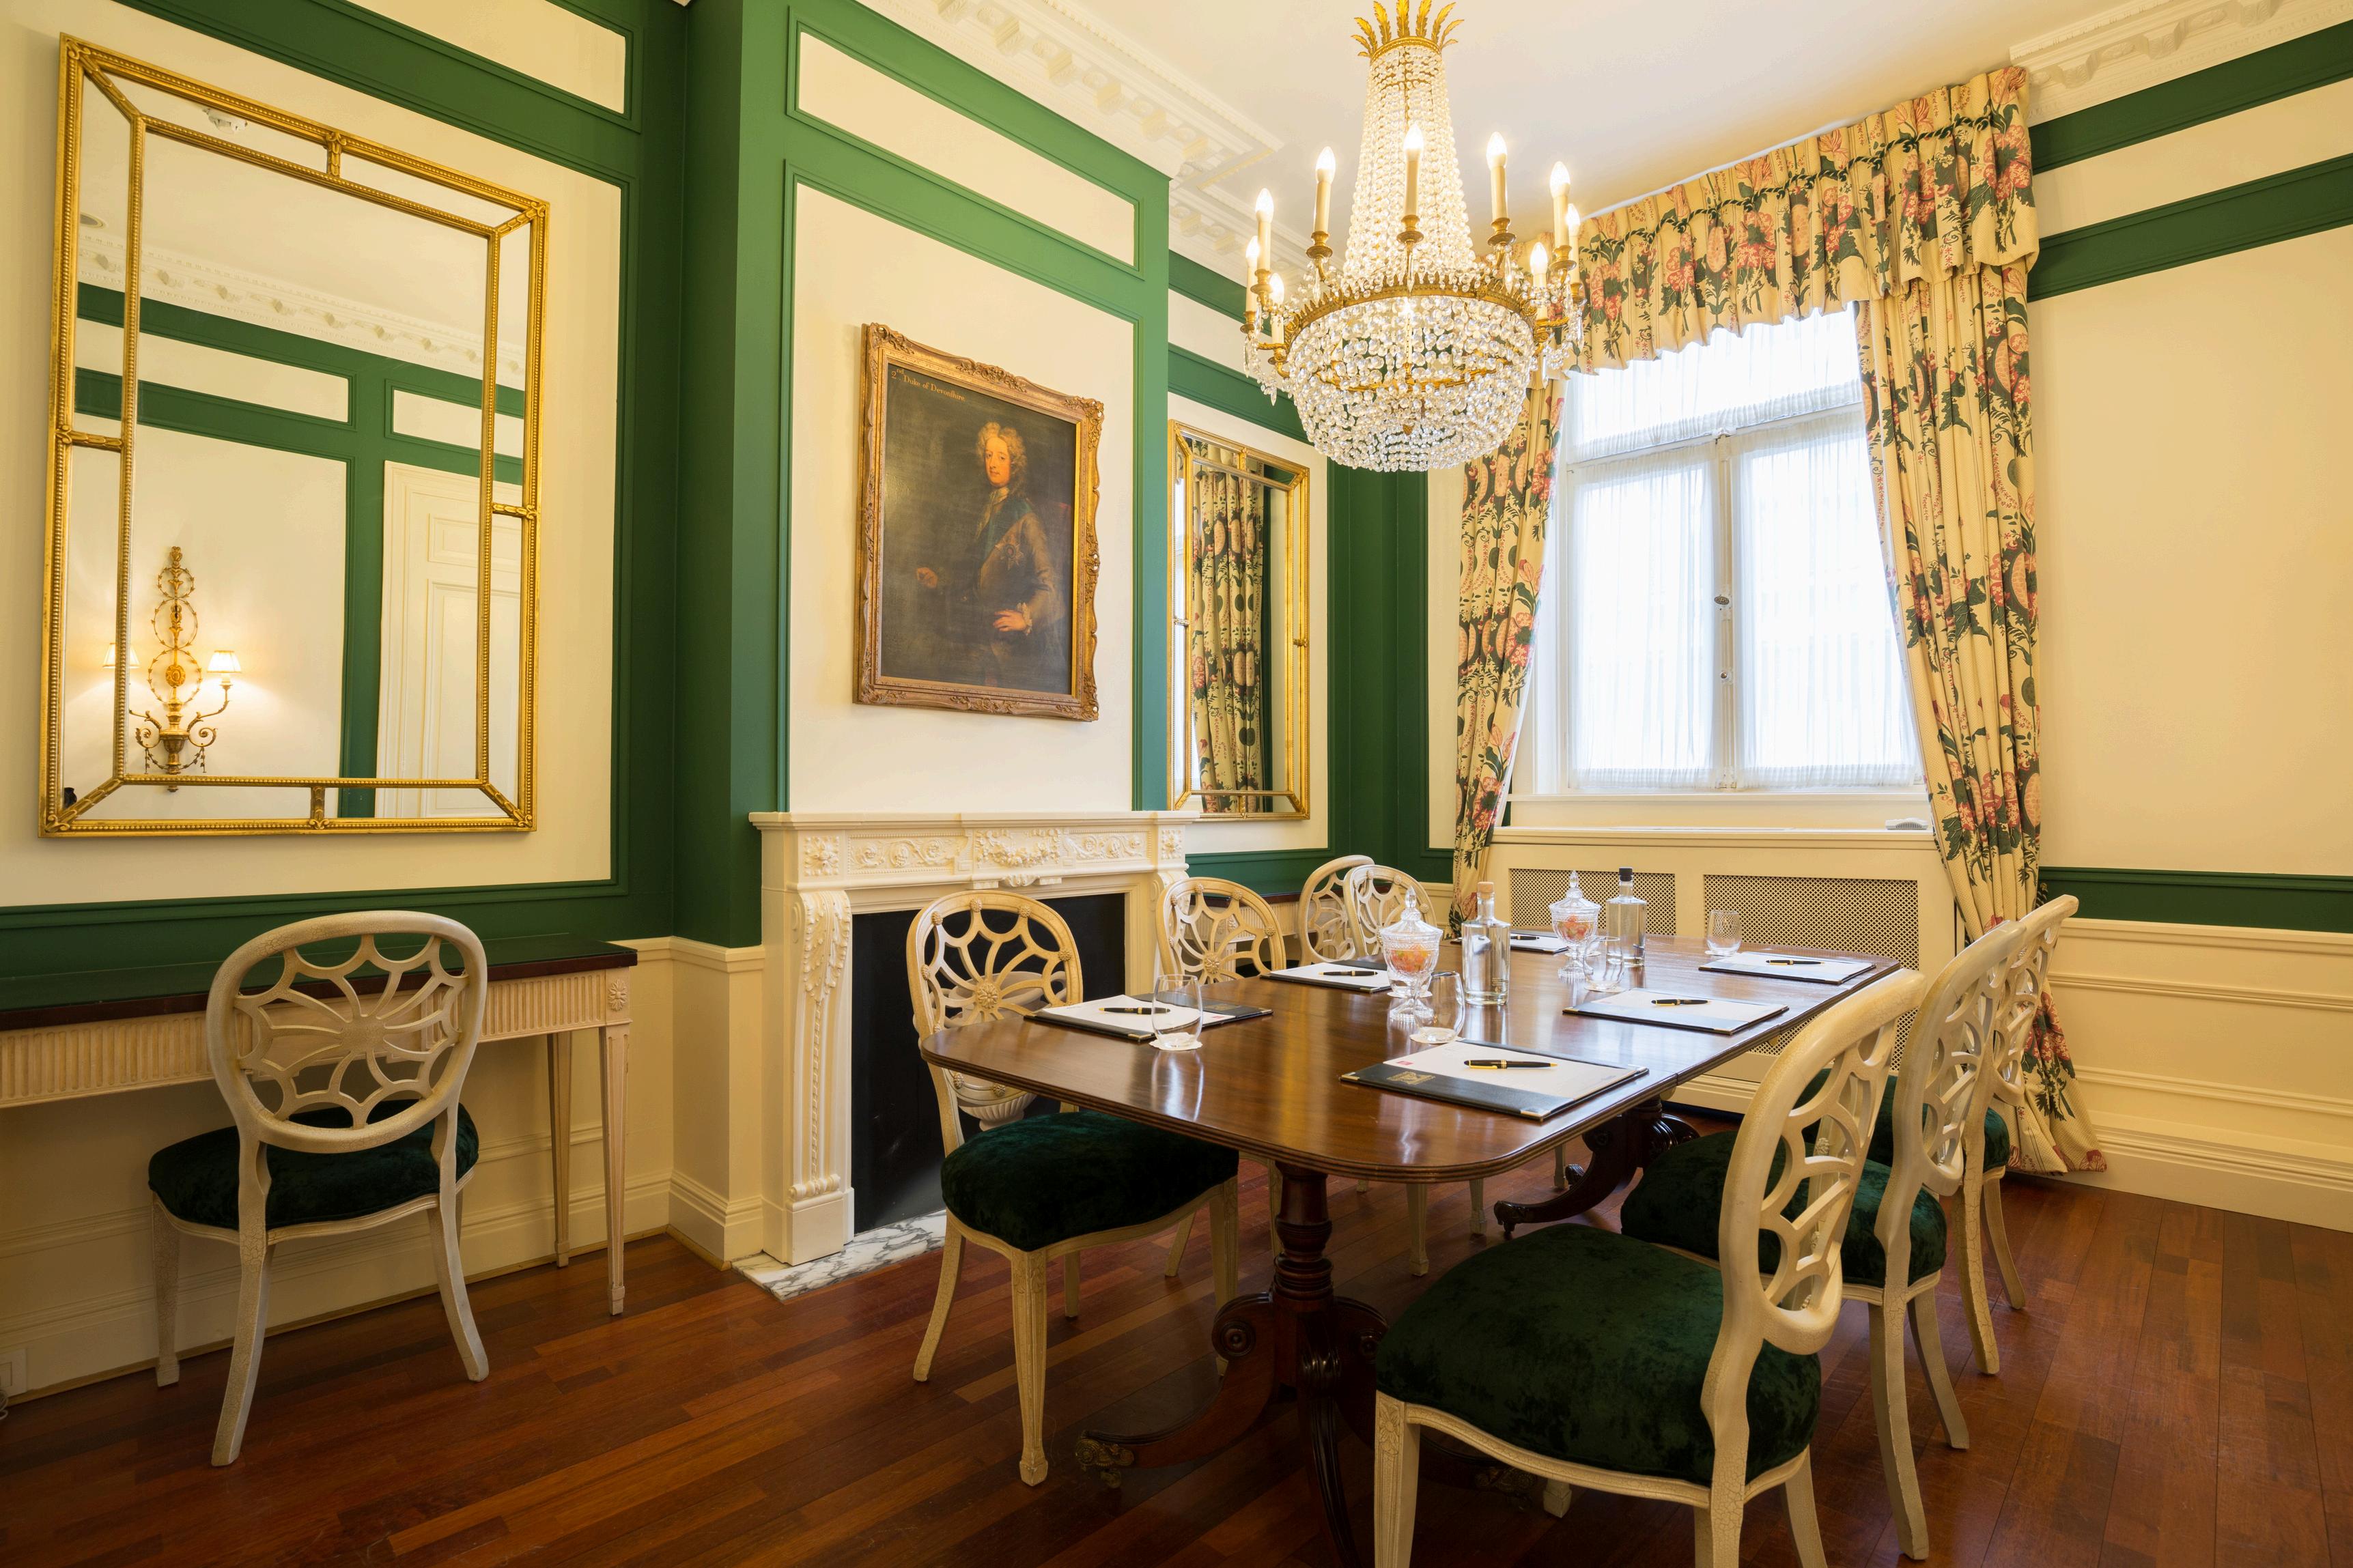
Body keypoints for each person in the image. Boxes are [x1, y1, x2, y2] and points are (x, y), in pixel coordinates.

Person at [912, 420, 1062, 692]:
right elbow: (974, 568)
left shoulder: (1026, 517)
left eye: (1001, 457)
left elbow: (1050, 585)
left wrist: (1026, 618)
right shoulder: (981, 507)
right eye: (989, 455)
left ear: (1014, 464)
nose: (993, 464)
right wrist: (940, 581)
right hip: (971, 635)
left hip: (1007, 646)